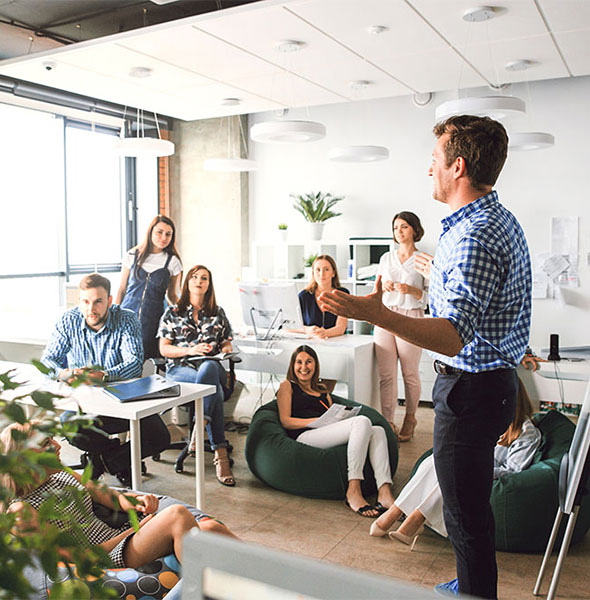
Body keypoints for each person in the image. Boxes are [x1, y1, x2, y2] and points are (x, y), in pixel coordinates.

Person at [319, 115, 531, 599]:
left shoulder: (476, 234)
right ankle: (469, 583)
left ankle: (474, 593)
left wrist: (377, 313)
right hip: (484, 385)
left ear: (457, 166)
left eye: (434, 160)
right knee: (466, 506)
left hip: (472, 388)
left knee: (465, 513)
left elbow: (454, 334)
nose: (428, 169)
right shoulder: (490, 221)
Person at [2, 422, 235, 569]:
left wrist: (136, 502)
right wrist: (135, 530)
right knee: (177, 515)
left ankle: (268, 580)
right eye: (45, 443)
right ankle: (200, 591)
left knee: (211, 528)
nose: (57, 445)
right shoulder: (22, 510)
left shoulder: (62, 473)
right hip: (107, 556)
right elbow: (71, 557)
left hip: (122, 538)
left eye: (52, 439)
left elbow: (108, 495)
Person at [370, 378, 542, 550]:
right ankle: (398, 511)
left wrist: (477, 468)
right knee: (436, 461)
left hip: (489, 474)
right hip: (471, 463)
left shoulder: (527, 433)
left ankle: (415, 517)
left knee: (456, 471)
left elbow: (512, 471)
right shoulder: (487, 419)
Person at [41, 273, 170, 486]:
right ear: (79, 302)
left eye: (98, 302)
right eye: (85, 302)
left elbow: (134, 364)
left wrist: (104, 375)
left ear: (109, 301)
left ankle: (101, 462)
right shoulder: (68, 320)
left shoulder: (127, 319)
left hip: (124, 400)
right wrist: (64, 373)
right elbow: (48, 361)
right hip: (85, 403)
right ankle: (116, 461)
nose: (91, 309)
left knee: (159, 437)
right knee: (68, 425)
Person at [277, 345, 395, 518]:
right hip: (304, 436)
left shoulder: (322, 390)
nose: (304, 367)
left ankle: (385, 493)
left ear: (315, 365)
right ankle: (353, 490)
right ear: (292, 366)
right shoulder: (287, 386)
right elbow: (286, 421)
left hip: (324, 431)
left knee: (377, 430)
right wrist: (315, 422)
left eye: (309, 362)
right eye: (299, 362)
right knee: (363, 421)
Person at [159, 265, 235, 487]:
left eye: (204, 278)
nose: (199, 281)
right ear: (187, 282)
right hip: (180, 370)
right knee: (215, 392)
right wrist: (189, 350)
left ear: (209, 284)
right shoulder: (171, 313)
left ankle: (198, 427)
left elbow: (227, 341)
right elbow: (164, 349)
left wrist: (226, 349)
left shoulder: (217, 312)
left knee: (209, 368)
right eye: (194, 277)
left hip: (212, 367)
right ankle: (221, 457)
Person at [374, 211, 428, 441]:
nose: (399, 231)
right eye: (396, 227)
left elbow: (431, 296)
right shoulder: (386, 259)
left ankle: (410, 417)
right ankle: (388, 422)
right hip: (386, 316)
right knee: (386, 375)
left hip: (411, 317)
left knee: (409, 373)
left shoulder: (424, 259)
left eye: (404, 226)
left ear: (415, 230)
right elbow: (375, 290)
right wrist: (384, 286)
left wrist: (411, 290)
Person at [115, 215, 182, 359]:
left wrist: (183, 317)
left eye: (168, 234)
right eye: (159, 232)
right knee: (122, 356)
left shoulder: (173, 262)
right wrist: (113, 313)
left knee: (146, 360)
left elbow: (172, 296)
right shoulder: (132, 255)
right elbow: (122, 288)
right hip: (126, 315)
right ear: (151, 231)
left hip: (153, 320)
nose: (163, 237)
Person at [297, 255, 349, 340]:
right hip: (310, 344)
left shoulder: (342, 294)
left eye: (326, 269)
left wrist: (325, 333)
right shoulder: (303, 296)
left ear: (333, 273)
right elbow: (290, 326)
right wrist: (307, 329)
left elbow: (341, 327)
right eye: (318, 270)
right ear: (313, 273)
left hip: (337, 343)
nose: (322, 274)